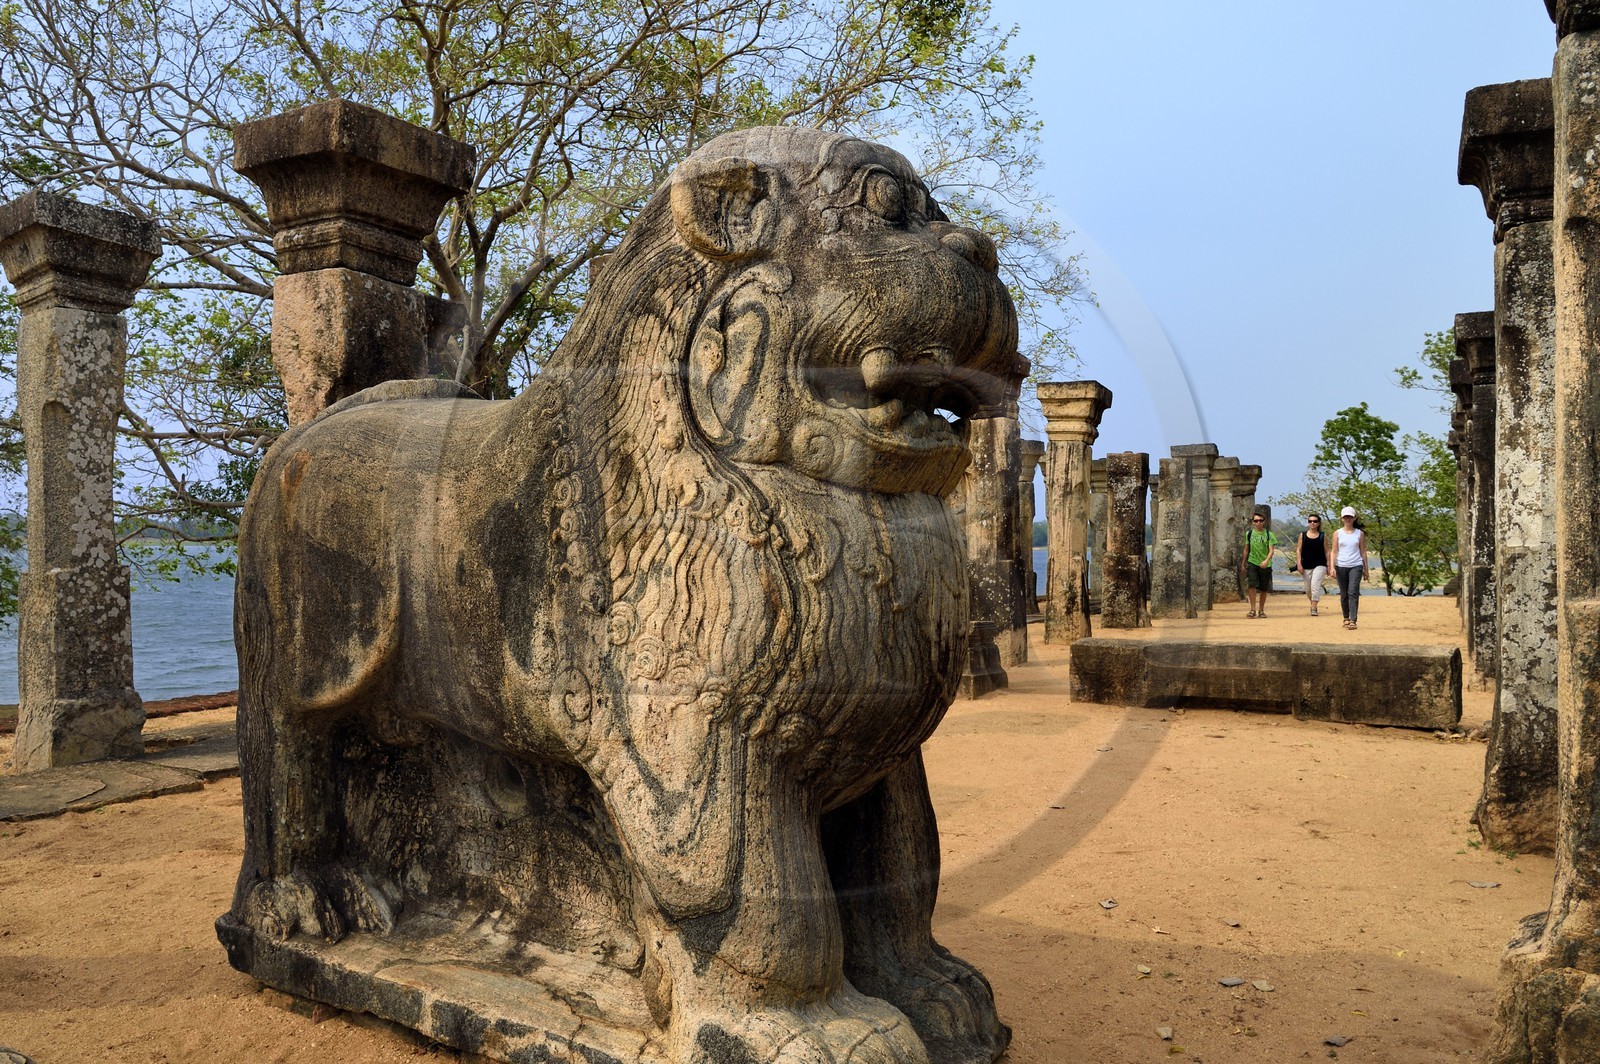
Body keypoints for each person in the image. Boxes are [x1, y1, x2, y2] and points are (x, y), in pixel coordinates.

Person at [1330, 505, 1369, 630]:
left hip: (1356, 565)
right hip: (1341, 565)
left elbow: (1363, 551)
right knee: (1344, 593)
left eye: (1350, 517)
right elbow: (1334, 551)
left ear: (1354, 518)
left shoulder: (1359, 534)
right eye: (1345, 517)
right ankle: (1346, 617)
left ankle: (1353, 619)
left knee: (1353, 592)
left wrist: (1366, 568)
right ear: (1342, 518)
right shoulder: (1337, 533)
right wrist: (1332, 567)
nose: (1348, 519)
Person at [1240, 512, 1276, 618]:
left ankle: (1261, 610)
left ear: (1264, 522)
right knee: (1251, 585)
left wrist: (1266, 561)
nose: (1258, 523)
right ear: (1253, 522)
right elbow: (1246, 549)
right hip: (1252, 562)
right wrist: (1243, 563)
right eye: (1256, 521)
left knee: (1264, 589)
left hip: (1266, 564)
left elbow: (1271, 550)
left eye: (1260, 520)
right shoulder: (1249, 534)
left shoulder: (1269, 535)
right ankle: (1252, 609)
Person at [1296, 513, 1329, 616]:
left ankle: (1313, 608)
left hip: (1320, 564)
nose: (1312, 523)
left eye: (1315, 521)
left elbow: (1327, 551)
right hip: (1306, 565)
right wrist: (1299, 564)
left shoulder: (1323, 536)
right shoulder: (1303, 535)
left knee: (1315, 586)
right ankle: (1313, 602)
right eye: (1310, 521)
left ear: (1318, 523)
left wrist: (1329, 565)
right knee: (1308, 589)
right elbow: (1298, 550)